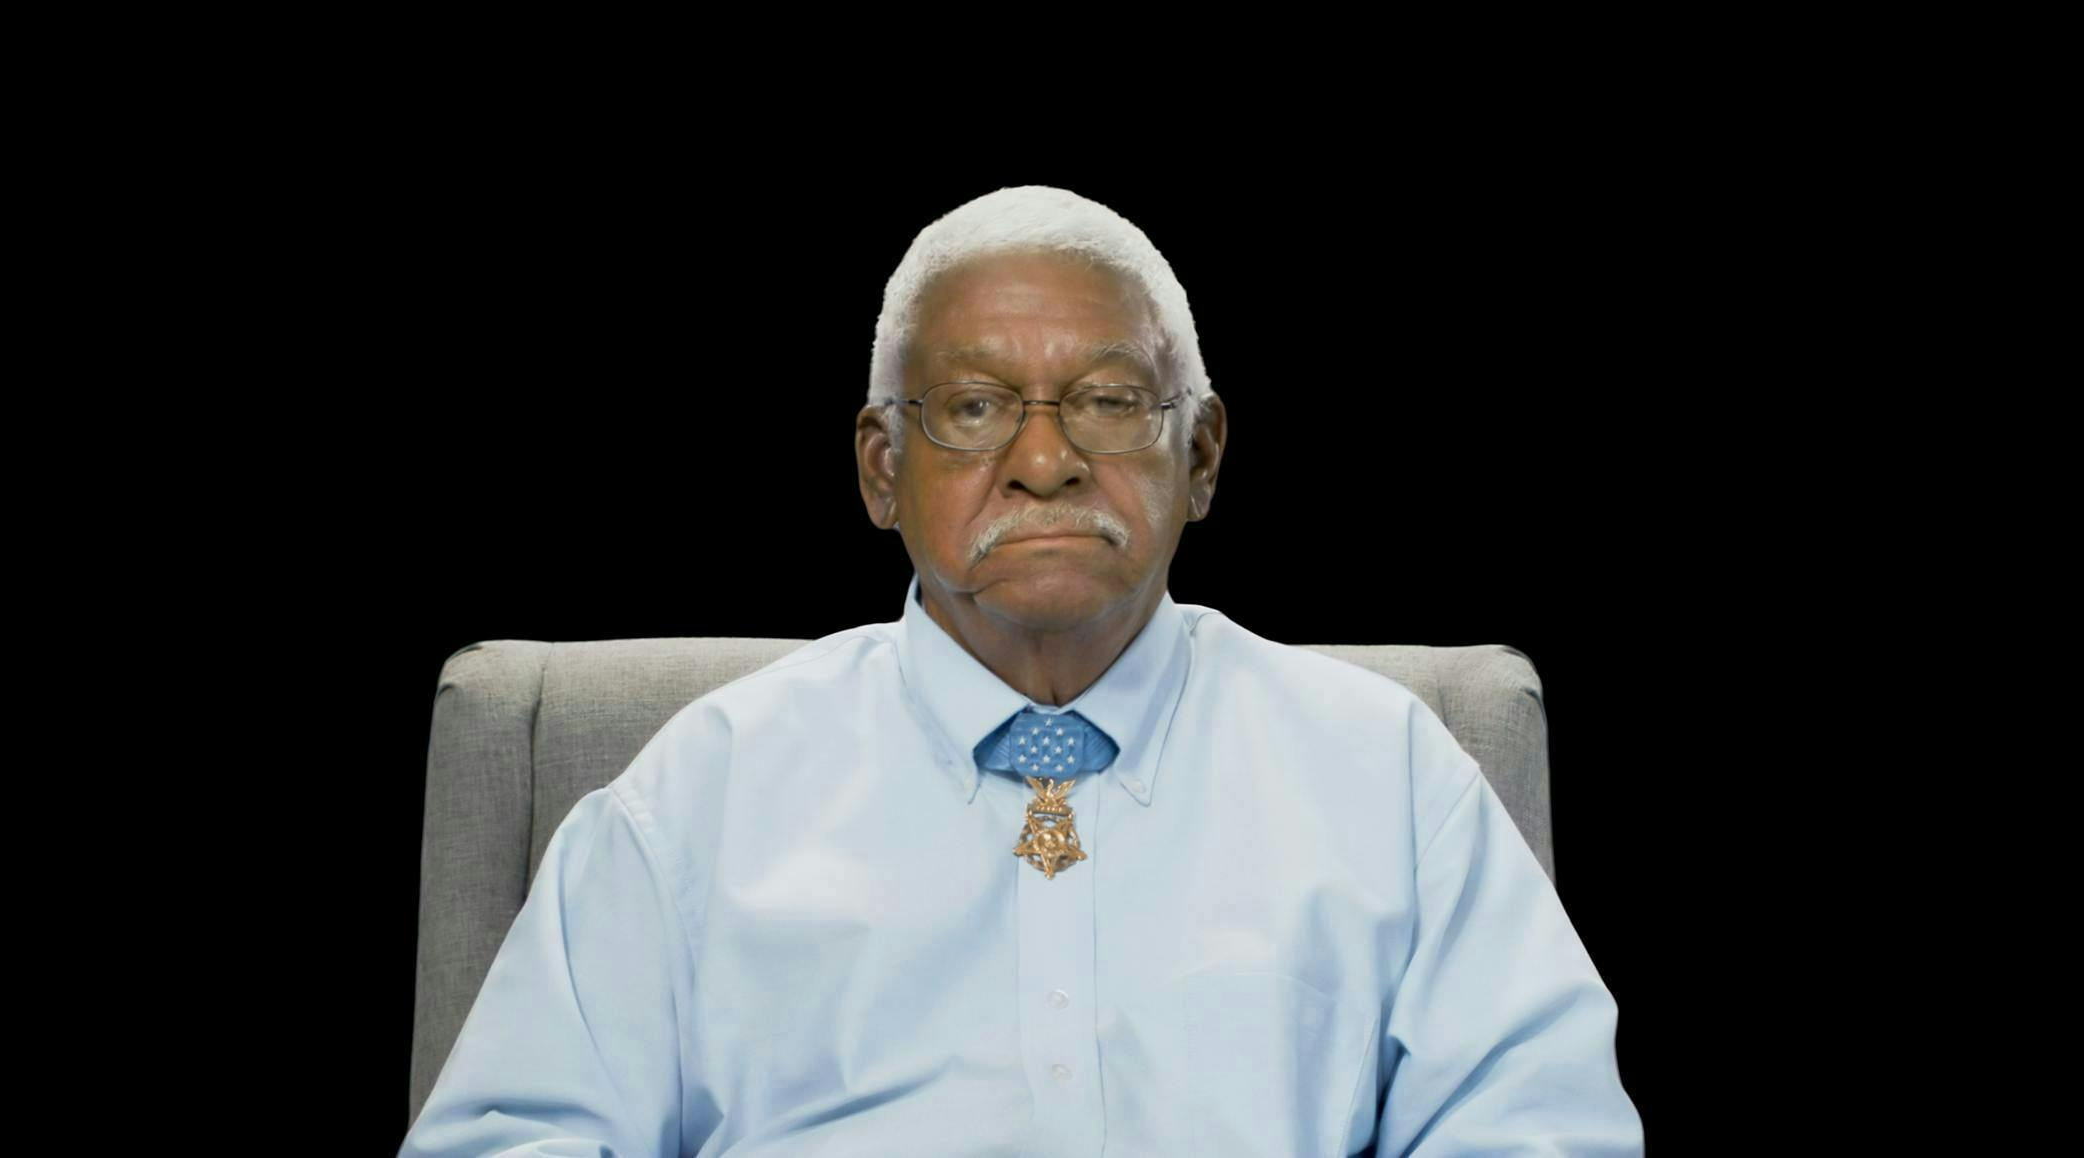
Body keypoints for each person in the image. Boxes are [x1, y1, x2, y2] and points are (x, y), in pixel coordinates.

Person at [400, 185, 1643, 1157]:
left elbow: (1539, 1129)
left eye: (1109, 400)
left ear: (1202, 456)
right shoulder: (694, 800)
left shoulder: (1387, 774)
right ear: (881, 471)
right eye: (975, 407)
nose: (1045, 462)